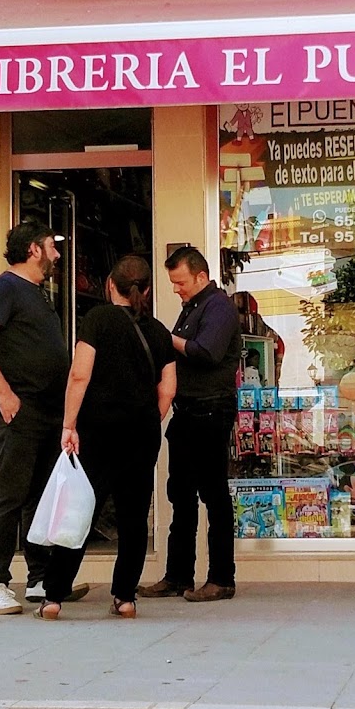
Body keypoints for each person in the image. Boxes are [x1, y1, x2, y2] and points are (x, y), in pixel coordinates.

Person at [36, 255, 177, 620]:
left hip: (97, 431)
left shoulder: (97, 319)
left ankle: (53, 596)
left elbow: (79, 375)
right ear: (147, 290)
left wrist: (69, 425)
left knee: (80, 509)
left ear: (110, 285)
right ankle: (125, 597)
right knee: (134, 516)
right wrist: (150, 418)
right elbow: (168, 388)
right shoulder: (159, 331)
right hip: (142, 432)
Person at [0, 221, 87, 615]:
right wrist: (4, 392)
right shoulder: (3, 288)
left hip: (47, 410)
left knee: (40, 495)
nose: (57, 254)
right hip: (19, 408)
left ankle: (40, 579)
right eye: (52, 246)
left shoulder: (36, 293)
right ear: (34, 249)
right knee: (10, 493)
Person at [138, 245, 242, 603]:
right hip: (186, 411)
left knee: (213, 495)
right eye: (173, 282)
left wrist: (165, 338)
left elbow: (206, 352)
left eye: (180, 282)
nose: (176, 289)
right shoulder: (192, 307)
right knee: (180, 496)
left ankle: (221, 578)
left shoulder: (219, 307)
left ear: (201, 276)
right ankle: (178, 575)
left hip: (211, 411)